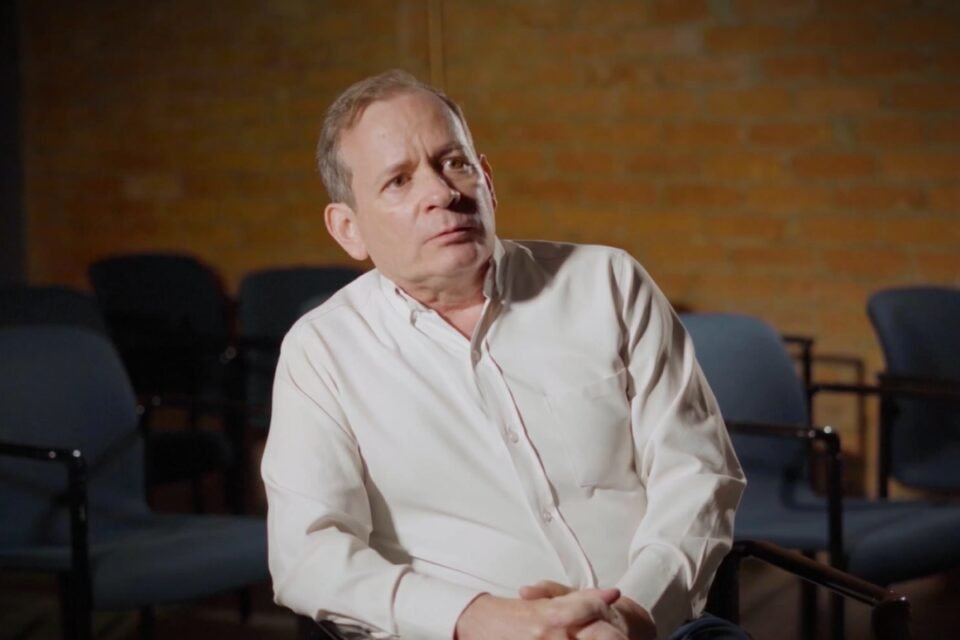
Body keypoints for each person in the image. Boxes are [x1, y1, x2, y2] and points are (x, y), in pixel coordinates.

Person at [262, 70, 747, 640]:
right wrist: (480, 619)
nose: (442, 193)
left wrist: (634, 613)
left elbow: (698, 473)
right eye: (398, 181)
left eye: (454, 163)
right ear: (349, 229)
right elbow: (308, 554)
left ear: (487, 181)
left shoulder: (609, 283)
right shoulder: (322, 351)